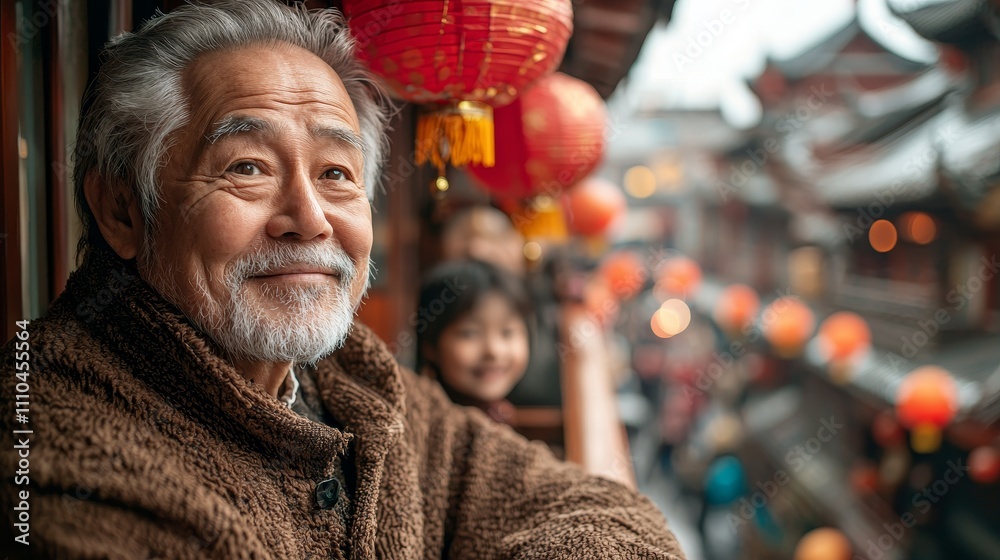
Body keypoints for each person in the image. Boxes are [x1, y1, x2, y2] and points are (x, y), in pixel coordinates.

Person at [0, 2, 686, 558]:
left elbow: (614, 520)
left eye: (335, 174)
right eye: (247, 167)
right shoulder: (51, 446)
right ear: (123, 210)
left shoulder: (353, 385)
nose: (309, 219)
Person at [416, 260, 532, 424]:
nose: (493, 351)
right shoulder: (424, 422)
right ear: (430, 346)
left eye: (507, 332)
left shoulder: (501, 415)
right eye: (470, 333)